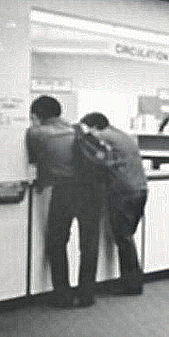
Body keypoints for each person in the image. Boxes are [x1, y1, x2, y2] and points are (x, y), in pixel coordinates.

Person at [26, 96, 105, 308]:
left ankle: (63, 295)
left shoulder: (36, 133)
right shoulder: (78, 130)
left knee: (57, 242)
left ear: (37, 115)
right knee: (89, 244)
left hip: (64, 191)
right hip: (91, 191)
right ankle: (87, 294)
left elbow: (32, 159)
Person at [79, 112, 148, 295]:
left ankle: (132, 284)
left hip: (123, 191)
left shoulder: (103, 138)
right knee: (126, 237)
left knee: (124, 238)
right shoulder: (121, 135)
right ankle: (131, 280)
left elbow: (101, 161)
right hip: (139, 190)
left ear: (94, 127)